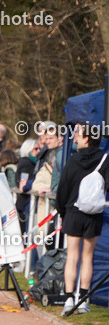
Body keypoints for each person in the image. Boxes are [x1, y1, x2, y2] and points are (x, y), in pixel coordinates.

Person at [55, 123, 108, 315]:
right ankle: (84, 300)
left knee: (72, 256)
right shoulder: (105, 159)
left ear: (87, 138)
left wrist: (62, 212)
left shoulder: (72, 160)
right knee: (88, 257)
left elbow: (63, 188)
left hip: (73, 211)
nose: (75, 137)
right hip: (93, 214)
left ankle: (69, 299)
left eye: (78, 134)